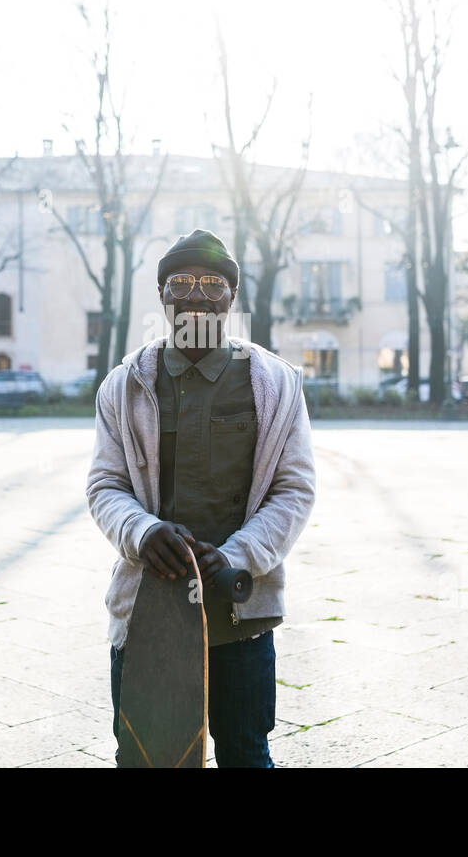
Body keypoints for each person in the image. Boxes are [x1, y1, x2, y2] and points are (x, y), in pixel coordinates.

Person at [85, 228, 316, 768]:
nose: (196, 295)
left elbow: (294, 489)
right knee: (146, 758)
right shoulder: (123, 385)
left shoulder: (276, 384)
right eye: (180, 283)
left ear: (232, 297)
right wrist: (141, 532)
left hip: (239, 614)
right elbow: (105, 485)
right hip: (149, 614)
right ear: (161, 295)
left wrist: (238, 555)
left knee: (246, 756)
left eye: (212, 284)